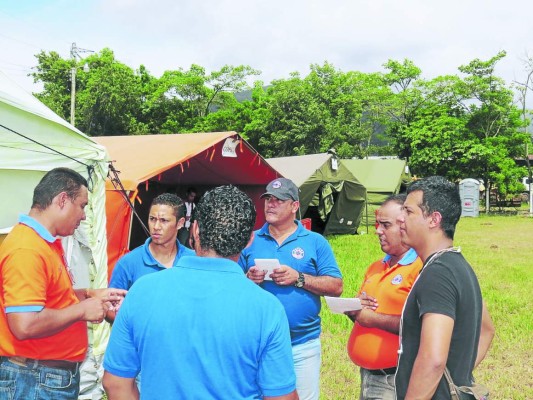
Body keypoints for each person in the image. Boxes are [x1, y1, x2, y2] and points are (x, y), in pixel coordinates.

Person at [103, 185, 298, 400]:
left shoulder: (141, 291)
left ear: (194, 229)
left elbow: (115, 384)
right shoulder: (267, 309)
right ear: (249, 241)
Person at [0, 167, 126, 400]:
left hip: (42, 377)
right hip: (34, 379)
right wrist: (81, 310)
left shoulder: (43, 243)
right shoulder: (27, 249)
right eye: (82, 205)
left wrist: (88, 294)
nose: (84, 215)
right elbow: (24, 324)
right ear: (62, 200)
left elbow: (51, 299)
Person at [239, 177, 343, 400]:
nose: (270, 204)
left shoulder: (315, 241)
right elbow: (229, 285)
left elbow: (336, 286)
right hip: (257, 345)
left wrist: (300, 278)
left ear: (294, 206)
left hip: (302, 346)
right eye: (268, 199)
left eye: (278, 200)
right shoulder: (249, 239)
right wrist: (247, 280)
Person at [395, 176, 495, 400]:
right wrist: (459, 373)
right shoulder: (459, 265)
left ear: (434, 219)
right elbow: (486, 329)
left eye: (409, 212)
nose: (400, 219)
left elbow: (433, 359)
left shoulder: (437, 274)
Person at [345, 194, 423, 400]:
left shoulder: (422, 269)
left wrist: (371, 319)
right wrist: (354, 310)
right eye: (378, 224)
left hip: (394, 380)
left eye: (385, 225)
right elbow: (362, 314)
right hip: (368, 375)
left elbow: (424, 326)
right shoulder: (376, 267)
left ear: (405, 225)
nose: (378, 231)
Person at [106, 192, 194, 322]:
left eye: (164, 220)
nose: (156, 227)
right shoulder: (128, 263)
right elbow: (109, 310)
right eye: (152, 219)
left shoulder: (193, 260)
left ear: (180, 223)